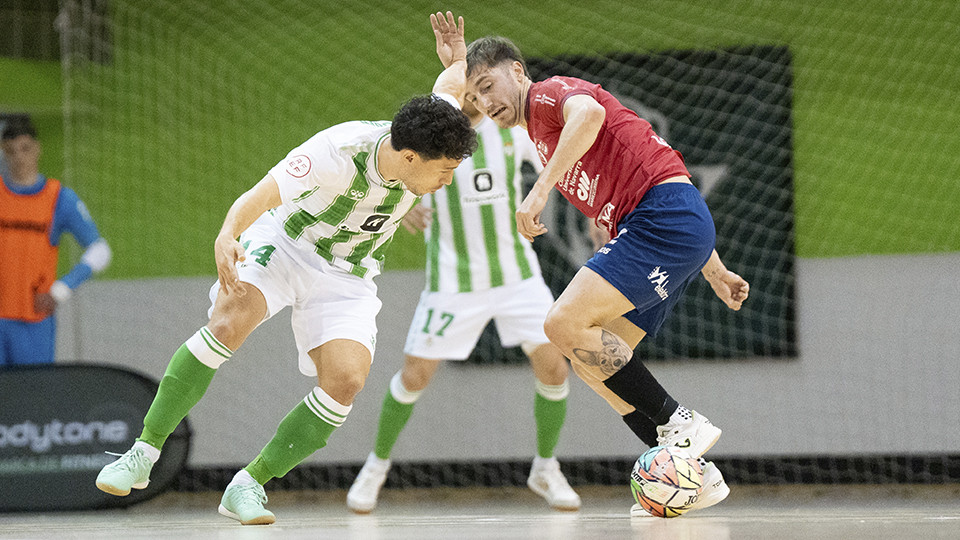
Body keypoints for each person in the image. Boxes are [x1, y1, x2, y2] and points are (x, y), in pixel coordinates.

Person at [94, 57, 478, 525]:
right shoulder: (336, 151)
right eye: (445, 171)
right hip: (286, 244)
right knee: (228, 322)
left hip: (348, 274)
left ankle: (249, 484)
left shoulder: (429, 128)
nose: (448, 180)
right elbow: (261, 195)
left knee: (346, 382)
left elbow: (449, 84)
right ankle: (143, 452)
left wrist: (457, 56)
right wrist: (228, 233)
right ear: (410, 157)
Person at [430, 12, 750, 516]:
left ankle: (679, 424)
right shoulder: (527, 125)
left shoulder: (552, 94)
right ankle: (691, 472)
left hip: (660, 220)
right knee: (592, 361)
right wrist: (715, 270)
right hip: (674, 226)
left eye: (489, 86)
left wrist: (536, 194)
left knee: (561, 323)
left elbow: (591, 116)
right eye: (477, 97)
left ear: (518, 71)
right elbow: (453, 120)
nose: (487, 103)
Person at [346, 99, 580, 514]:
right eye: (470, 85)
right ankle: (376, 466)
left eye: (485, 86)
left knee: (555, 367)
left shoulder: (509, 129)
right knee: (414, 375)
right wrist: (403, 208)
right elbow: (390, 168)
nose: (478, 95)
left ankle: (546, 467)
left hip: (516, 277)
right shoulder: (432, 134)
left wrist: (594, 212)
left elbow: (562, 161)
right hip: (453, 281)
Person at [0, 116, 111, 366]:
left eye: (25, 148)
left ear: (37, 149)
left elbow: (100, 250)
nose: (19, 157)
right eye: (11, 150)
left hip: (33, 323)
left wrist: (61, 290)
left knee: (34, 398)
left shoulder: (59, 199)